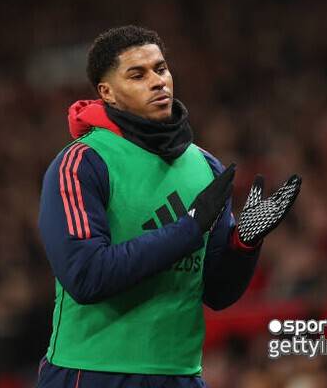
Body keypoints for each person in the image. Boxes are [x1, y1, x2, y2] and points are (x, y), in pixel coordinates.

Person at [36, 25, 301, 388]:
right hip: (92, 372)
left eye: (160, 69)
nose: (157, 81)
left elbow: (217, 294)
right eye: (138, 75)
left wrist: (244, 245)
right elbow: (86, 276)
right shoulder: (82, 162)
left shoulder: (205, 167)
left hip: (180, 375)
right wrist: (188, 229)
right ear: (107, 92)